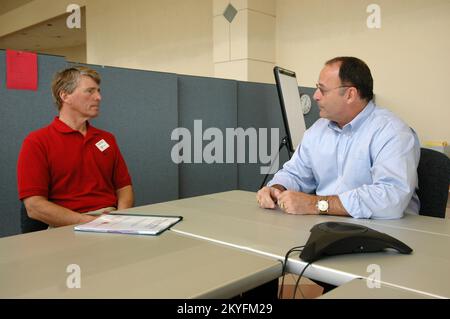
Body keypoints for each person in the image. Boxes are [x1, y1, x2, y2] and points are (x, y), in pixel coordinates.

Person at [257, 56, 420, 220]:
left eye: (323, 90)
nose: (316, 96)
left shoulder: (391, 132)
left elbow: (390, 198)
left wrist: (316, 204)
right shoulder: (318, 130)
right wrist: (277, 188)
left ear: (350, 94)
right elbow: (295, 174)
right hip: (327, 226)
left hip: (386, 232)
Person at [17, 66, 134, 227]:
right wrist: (91, 223)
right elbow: (34, 207)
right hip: (67, 226)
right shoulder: (37, 142)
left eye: (98, 91)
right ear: (65, 96)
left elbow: (124, 187)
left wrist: (120, 219)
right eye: (90, 91)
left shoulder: (107, 139)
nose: (98, 97)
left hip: (111, 220)